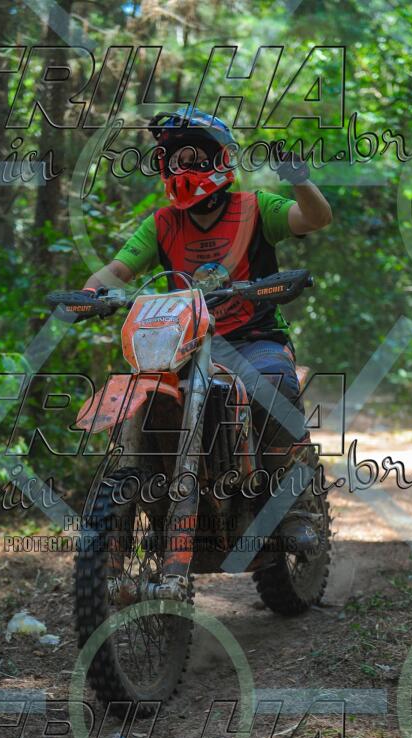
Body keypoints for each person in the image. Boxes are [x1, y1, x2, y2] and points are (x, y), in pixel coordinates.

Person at [81, 108, 333, 540]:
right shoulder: (162, 223)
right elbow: (118, 270)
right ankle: (146, 496)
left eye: (192, 156)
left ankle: (291, 508)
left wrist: (298, 179)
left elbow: (315, 218)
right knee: (134, 398)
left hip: (253, 339)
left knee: (274, 383)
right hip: (181, 347)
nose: (182, 168)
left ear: (219, 157)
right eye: (173, 159)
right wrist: (89, 294)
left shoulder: (255, 208)